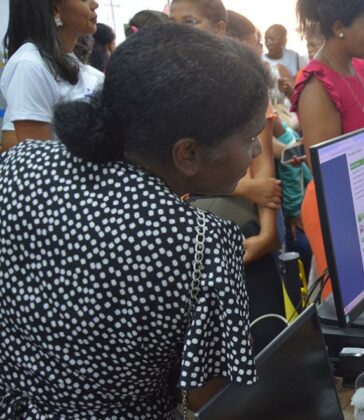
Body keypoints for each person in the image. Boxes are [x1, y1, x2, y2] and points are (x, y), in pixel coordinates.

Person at [0, 23, 270, 417]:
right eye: (249, 139)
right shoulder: (200, 243)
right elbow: (205, 396)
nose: (258, 149)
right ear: (188, 153)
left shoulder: (19, 165)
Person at [171, 0, 280, 269]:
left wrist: (267, 234)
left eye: (189, 23)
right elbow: (172, 169)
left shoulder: (248, 83)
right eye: (172, 25)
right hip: (191, 222)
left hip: (246, 220)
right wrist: (245, 188)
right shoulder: (168, 88)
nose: (179, 33)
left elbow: (263, 164)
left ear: (219, 28)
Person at [293, 0, 364, 296]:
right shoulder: (317, 85)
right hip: (339, 214)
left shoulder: (356, 70)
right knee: (348, 301)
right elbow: (327, 177)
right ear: (339, 29)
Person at [1, 0, 104, 152]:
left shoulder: (76, 64)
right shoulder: (30, 65)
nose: (95, 4)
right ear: (56, 9)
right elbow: (37, 158)